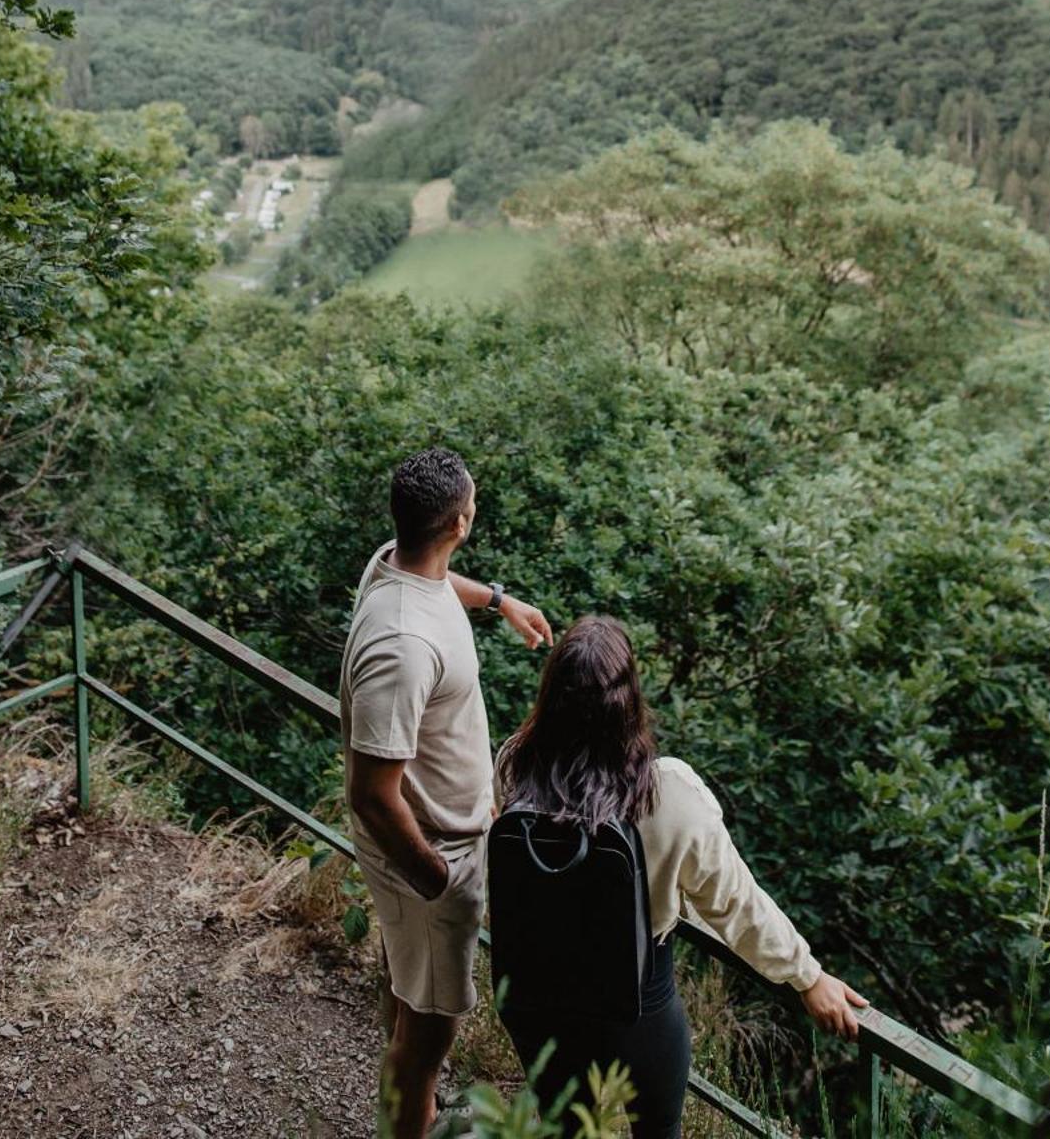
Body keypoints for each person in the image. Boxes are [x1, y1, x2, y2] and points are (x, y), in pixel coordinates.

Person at [492, 616, 866, 1138]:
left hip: (540, 993)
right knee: (658, 1131)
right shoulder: (667, 792)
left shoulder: (515, 764)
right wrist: (808, 976)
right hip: (636, 1005)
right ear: (629, 699)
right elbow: (735, 903)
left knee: (562, 1127)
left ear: (551, 690)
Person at [340, 446, 554, 1139]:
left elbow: (434, 587)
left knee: (412, 1003)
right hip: (434, 856)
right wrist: (437, 879)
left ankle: (407, 1089)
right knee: (428, 1044)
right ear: (459, 521)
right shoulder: (402, 644)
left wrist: (498, 601)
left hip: (445, 848)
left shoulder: (397, 565)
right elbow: (372, 793)